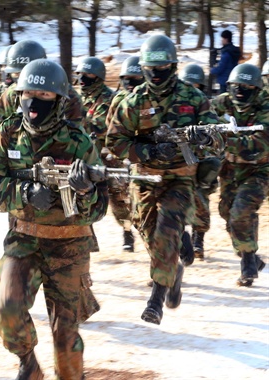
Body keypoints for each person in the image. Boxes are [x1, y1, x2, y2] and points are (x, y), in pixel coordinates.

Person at [0, 58, 109, 380]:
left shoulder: (79, 141)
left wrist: (85, 189)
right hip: (24, 240)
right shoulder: (7, 134)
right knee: (8, 308)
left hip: (69, 246)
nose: (34, 102)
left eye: (45, 96)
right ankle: (27, 362)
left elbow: (98, 209)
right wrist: (24, 193)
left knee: (65, 335)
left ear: (60, 100)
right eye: (29, 93)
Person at [106, 34, 224, 325]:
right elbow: (115, 141)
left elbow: (218, 140)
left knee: (167, 232)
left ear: (173, 66)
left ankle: (156, 300)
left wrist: (205, 136)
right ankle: (173, 271)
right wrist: (147, 150)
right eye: (150, 69)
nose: (156, 75)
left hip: (179, 180)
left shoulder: (193, 98)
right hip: (144, 179)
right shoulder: (133, 101)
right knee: (150, 236)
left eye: (162, 69)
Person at [210, 63, 268, 286]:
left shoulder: (265, 108)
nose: (240, 91)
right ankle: (252, 257)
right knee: (227, 212)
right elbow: (202, 116)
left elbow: (258, 145)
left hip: (260, 170)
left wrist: (222, 140)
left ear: (257, 89)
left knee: (241, 210)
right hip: (230, 170)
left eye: (246, 87)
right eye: (236, 86)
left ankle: (247, 266)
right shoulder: (221, 103)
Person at [178, 63, 220, 259]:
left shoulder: (205, 105)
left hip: (202, 160)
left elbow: (217, 135)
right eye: (189, 84)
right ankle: (181, 237)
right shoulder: (176, 105)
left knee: (201, 200)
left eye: (196, 85)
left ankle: (198, 238)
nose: (192, 88)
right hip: (180, 160)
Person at [105, 56, 144, 252]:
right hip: (122, 157)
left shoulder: (149, 100)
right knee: (118, 197)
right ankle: (127, 232)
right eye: (126, 78)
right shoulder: (118, 99)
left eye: (135, 77)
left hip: (146, 158)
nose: (130, 82)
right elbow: (111, 126)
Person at [0, 40, 83, 125]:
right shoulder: (10, 93)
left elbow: (76, 131)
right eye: (17, 74)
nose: (22, 79)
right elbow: (1, 124)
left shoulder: (64, 94)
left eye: (25, 73)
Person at [210, 30, 240, 94]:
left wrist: (212, 70)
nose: (221, 40)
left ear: (226, 39)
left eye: (222, 38)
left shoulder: (226, 53)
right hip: (232, 79)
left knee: (223, 100)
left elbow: (221, 67)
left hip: (224, 81)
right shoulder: (233, 50)